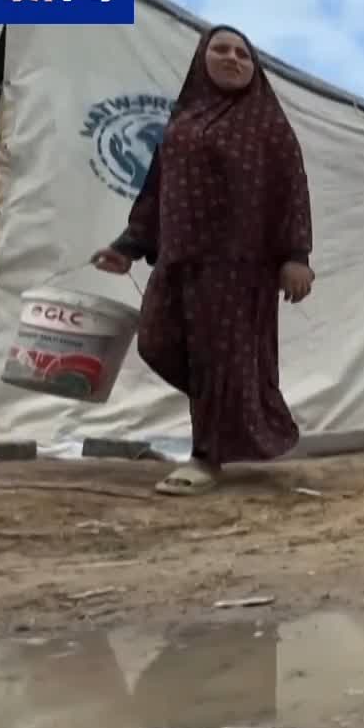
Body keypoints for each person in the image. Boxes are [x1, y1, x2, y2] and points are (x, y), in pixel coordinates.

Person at [90, 25, 314, 497]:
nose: (233, 58)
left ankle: (206, 456)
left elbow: (291, 190)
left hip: (239, 266)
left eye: (244, 54)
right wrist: (126, 248)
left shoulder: (268, 124)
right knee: (156, 341)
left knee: (216, 361)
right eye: (221, 49)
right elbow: (155, 193)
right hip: (178, 258)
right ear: (200, 58)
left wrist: (296, 256)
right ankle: (238, 414)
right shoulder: (181, 123)